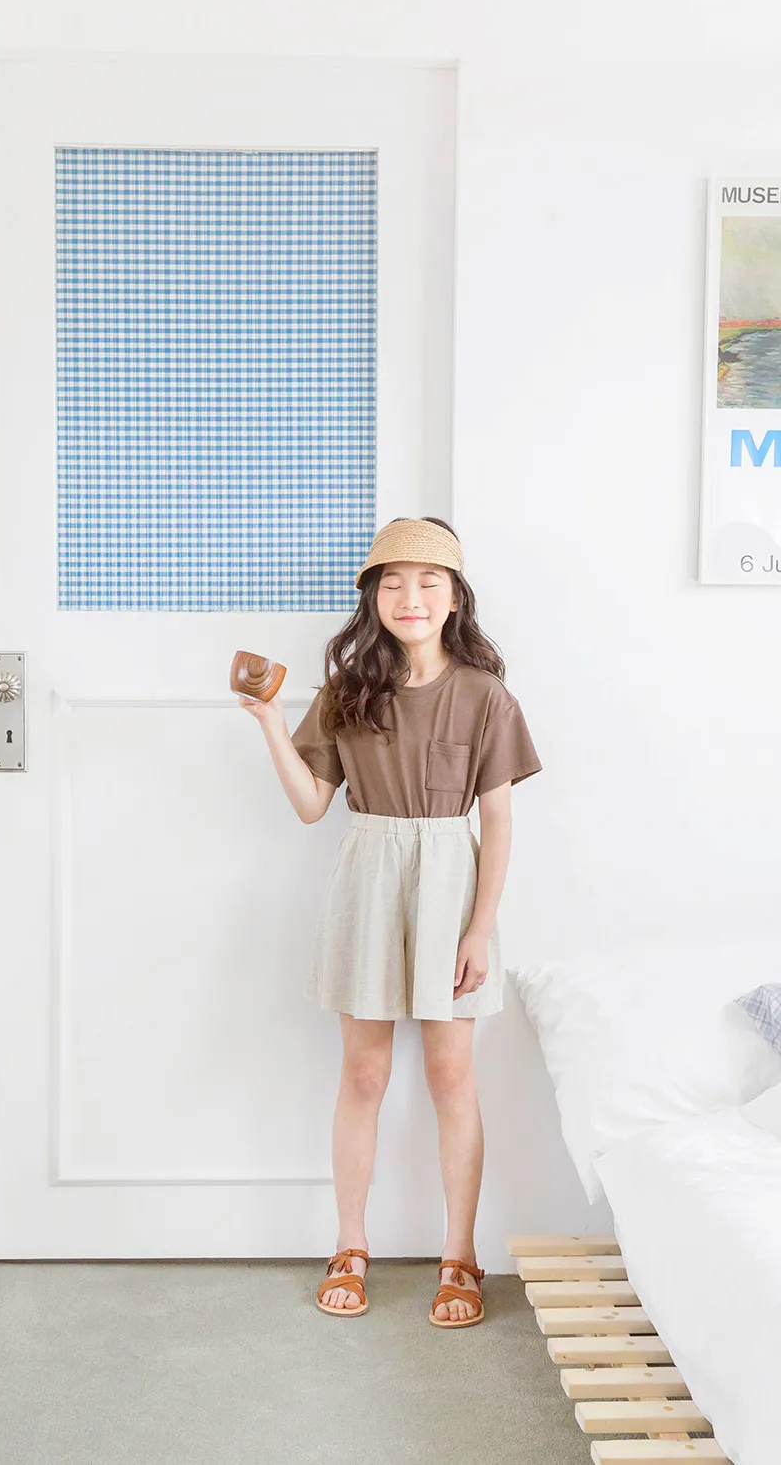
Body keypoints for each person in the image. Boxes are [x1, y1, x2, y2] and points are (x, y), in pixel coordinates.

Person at [237, 516, 542, 1328]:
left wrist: (479, 929)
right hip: (367, 879)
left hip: (451, 884)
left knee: (451, 1077)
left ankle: (460, 1254)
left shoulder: (485, 695)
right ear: (373, 597)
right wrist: (271, 726)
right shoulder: (346, 692)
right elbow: (312, 807)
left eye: (429, 582)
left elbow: (498, 821)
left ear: (454, 598)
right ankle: (350, 1245)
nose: (411, 597)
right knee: (364, 1075)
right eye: (393, 583)